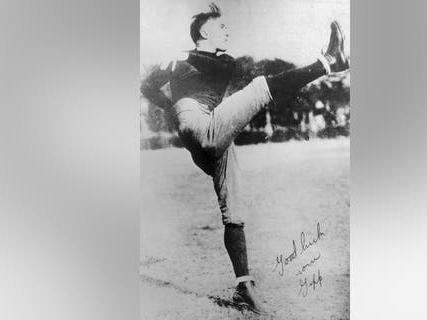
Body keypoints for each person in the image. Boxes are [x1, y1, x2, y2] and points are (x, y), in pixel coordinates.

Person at [140, 3, 348, 314]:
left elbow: (148, 84)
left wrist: (171, 100)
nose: (227, 31)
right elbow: (148, 85)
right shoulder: (193, 62)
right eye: (221, 27)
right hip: (199, 125)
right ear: (204, 31)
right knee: (261, 87)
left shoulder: (212, 62)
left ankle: (244, 286)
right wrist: (175, 105)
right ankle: (328, 62)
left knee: (233, 209)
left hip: (210, 132)